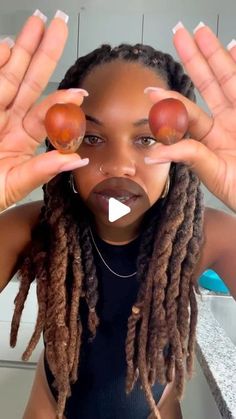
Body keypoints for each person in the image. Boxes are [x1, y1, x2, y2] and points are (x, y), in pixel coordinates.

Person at [0, 9, 236, 419]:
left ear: (179, 153)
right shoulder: (35, 227)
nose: (119, 164)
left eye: (146, 138)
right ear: (63, 145)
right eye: (92, 137)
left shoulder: (206, 236)